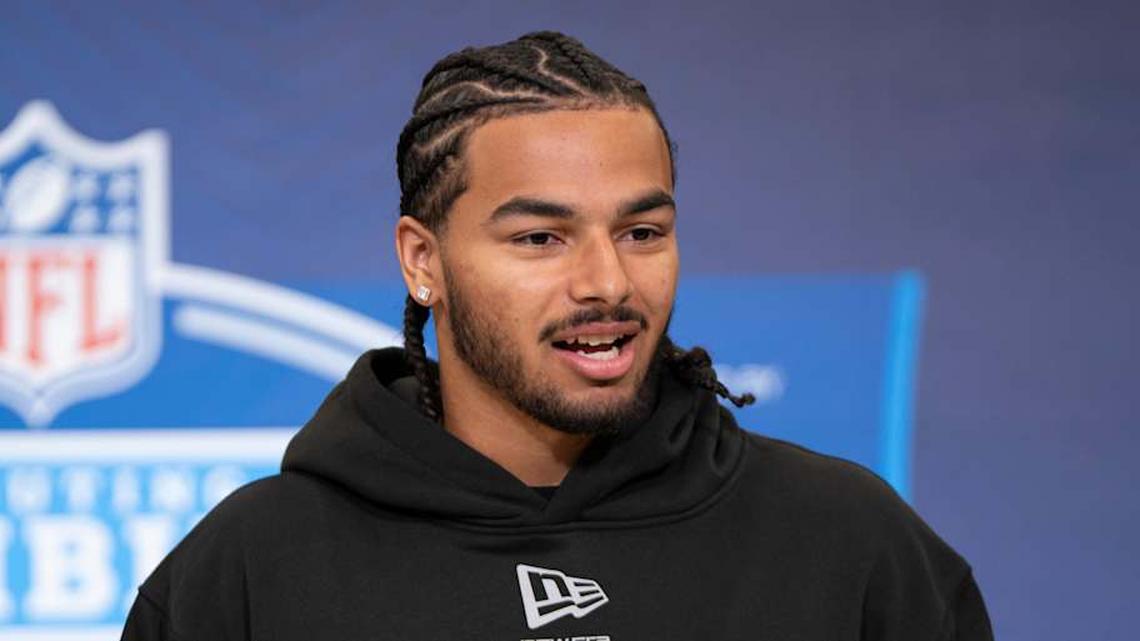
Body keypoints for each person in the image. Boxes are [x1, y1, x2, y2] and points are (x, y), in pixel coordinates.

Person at [121, 31, 992, 640]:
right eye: (540, 237)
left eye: (642, 232)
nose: (608, 282)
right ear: (423, 260)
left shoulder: (852, 545)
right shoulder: (248, 575)